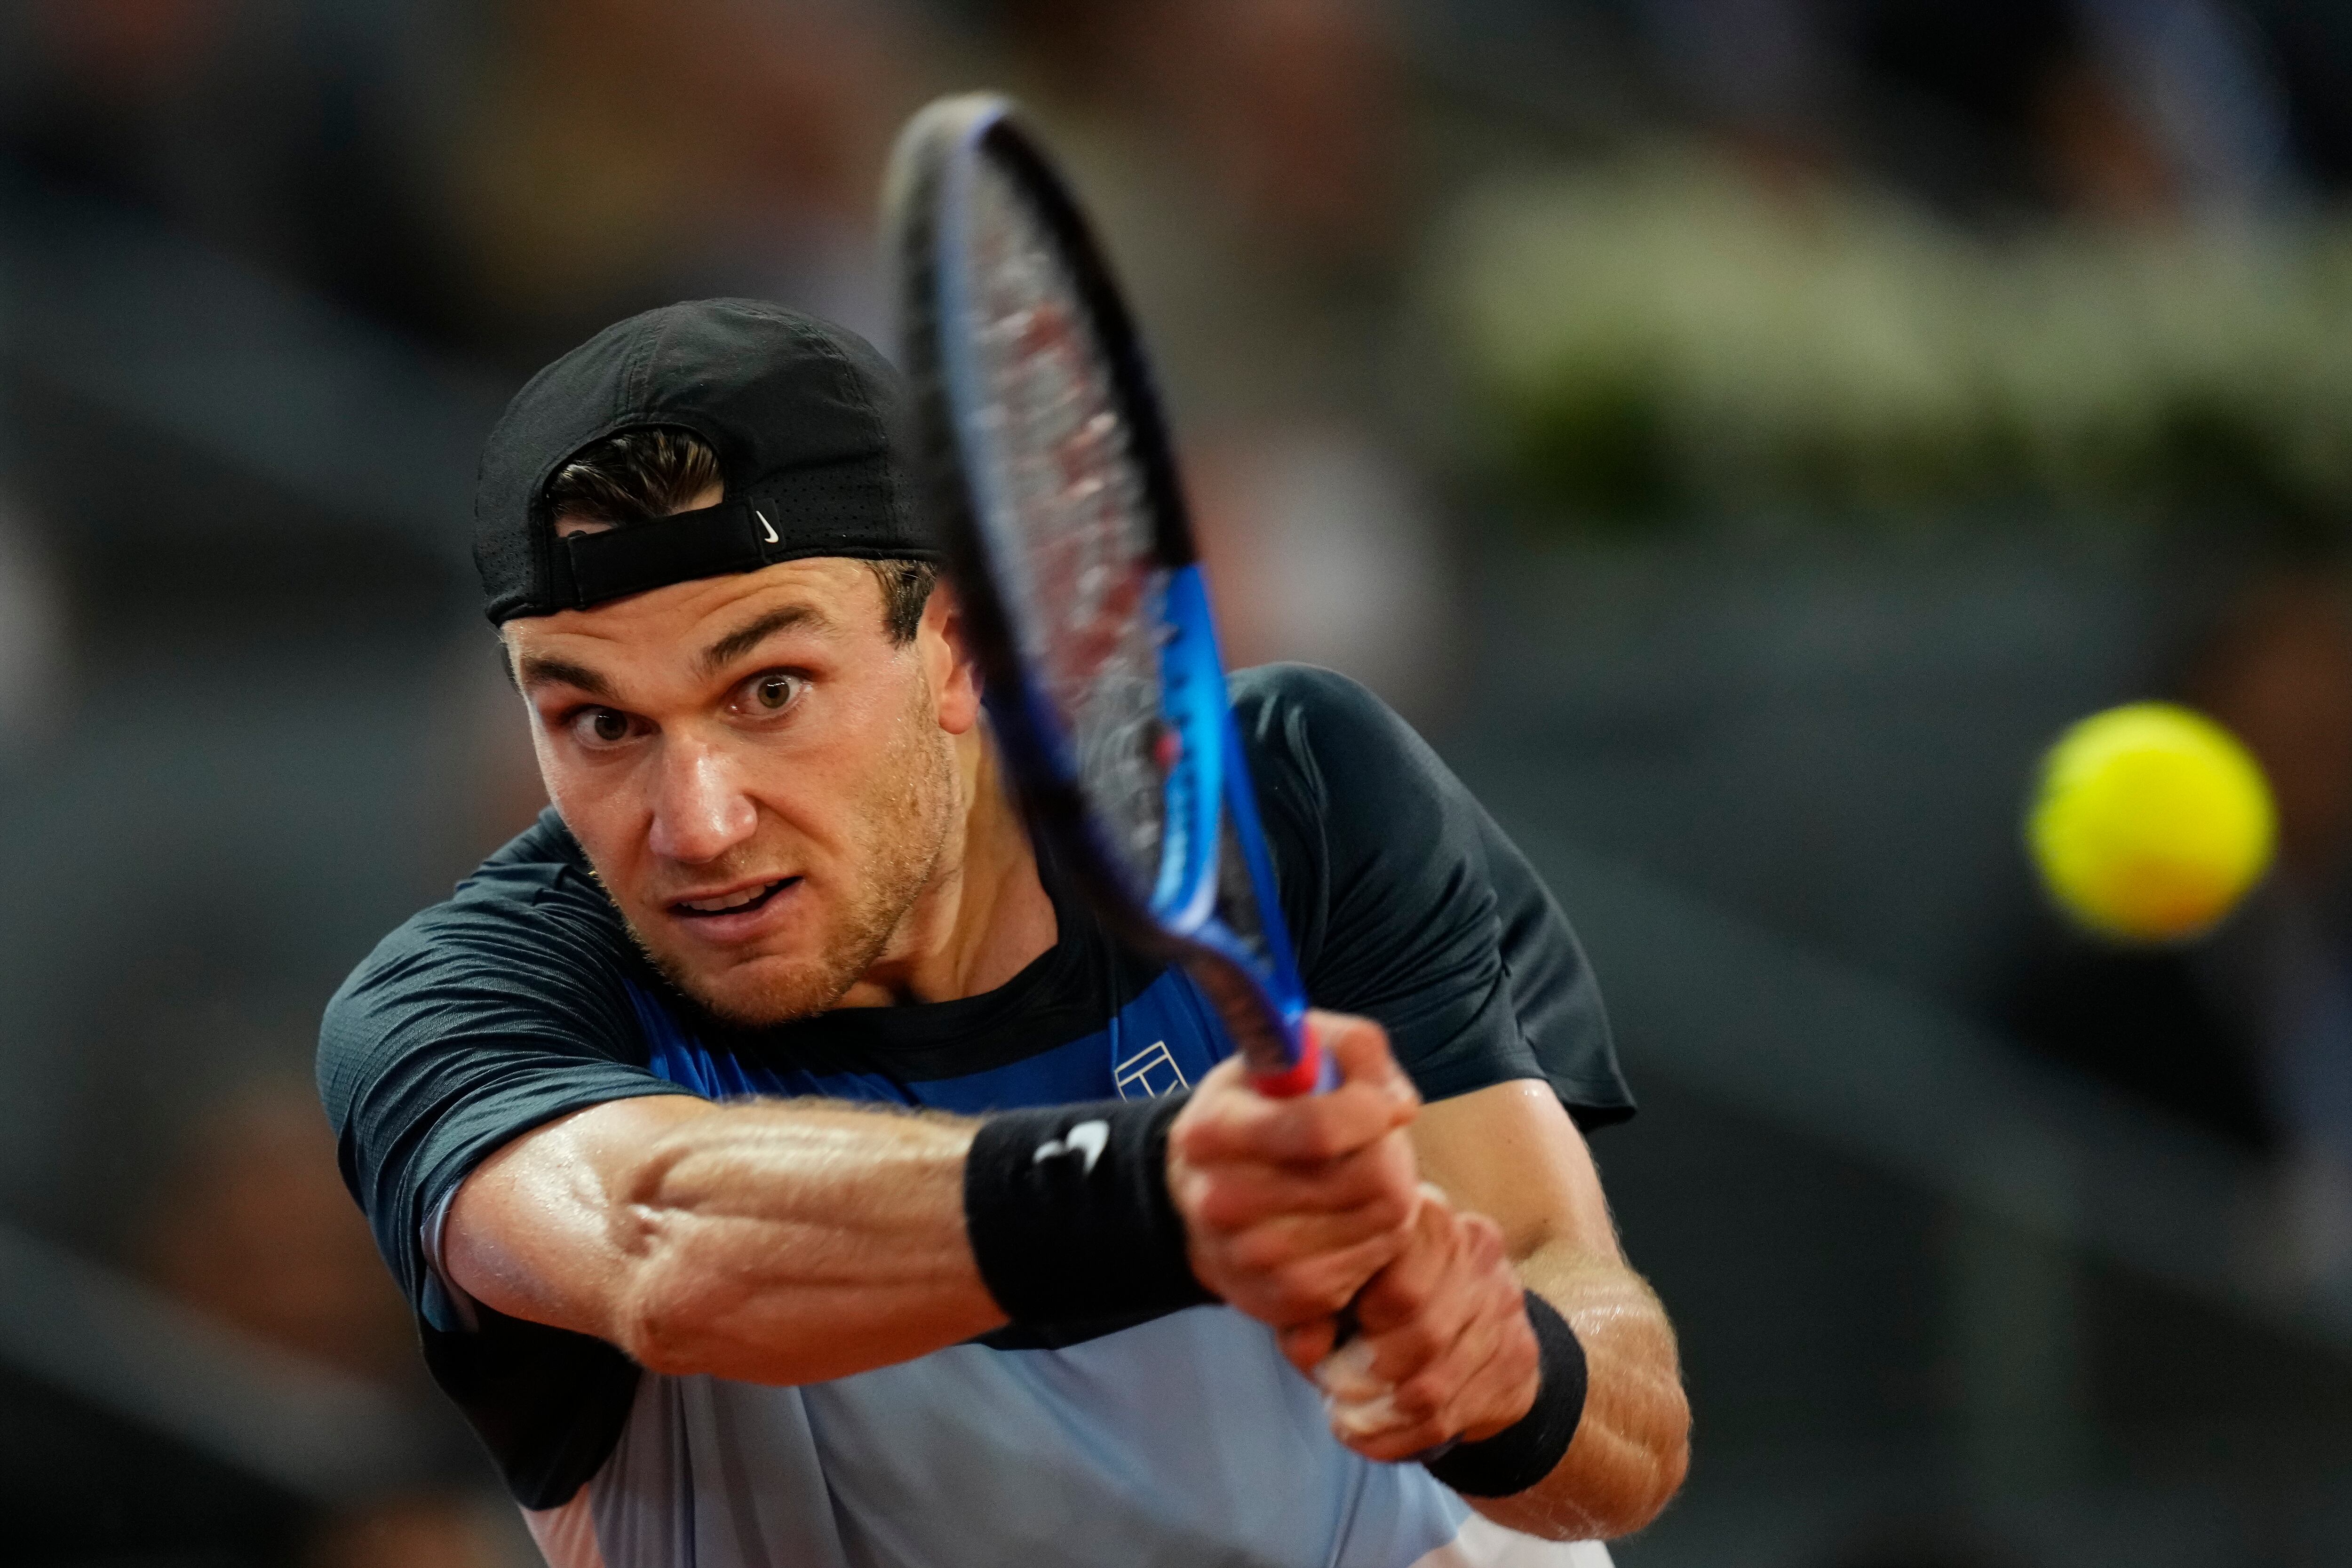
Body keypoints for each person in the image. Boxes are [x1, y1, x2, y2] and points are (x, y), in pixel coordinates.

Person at [318, 299, 1689, 1568]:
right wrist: (1167, 1194)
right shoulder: (460, 1004)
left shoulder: (1275, 797)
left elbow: (1621, 1432)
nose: (698, 823)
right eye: (599, 723)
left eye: (771, 689)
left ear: (965, 646)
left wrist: (1510, 1375)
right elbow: (656, 1243)